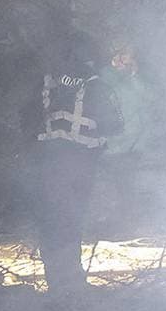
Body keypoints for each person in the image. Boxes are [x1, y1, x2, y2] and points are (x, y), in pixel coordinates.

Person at [29, 24, 119, 295]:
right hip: (81, 163)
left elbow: (27, 118)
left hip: (47, 160)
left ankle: (56, 281)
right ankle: (71, 282)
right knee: (71, 221)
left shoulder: (45, 81)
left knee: (51, 220)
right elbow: (115, 123)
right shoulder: (96, 85)